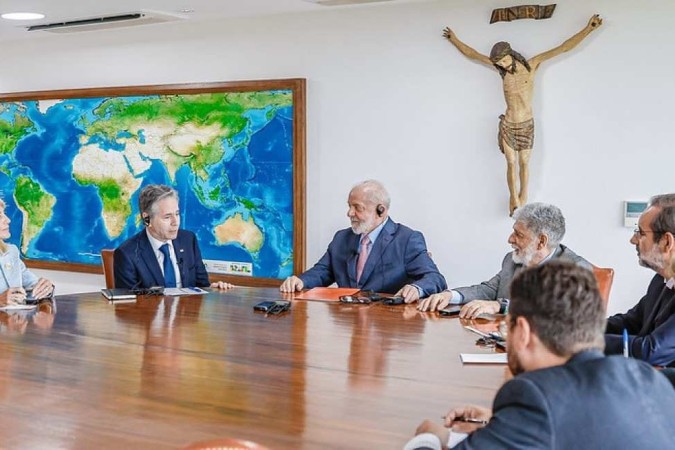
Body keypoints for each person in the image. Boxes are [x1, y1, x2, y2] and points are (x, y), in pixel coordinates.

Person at [404, 262, 675, 450]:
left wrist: (431, 436)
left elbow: (549, 411)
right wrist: (504, 424)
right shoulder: (650, 379)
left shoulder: (533, 396)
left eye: (506, 327)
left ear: (521, 331)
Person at [443, 15, 602, 215]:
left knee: (524, 163)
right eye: (498, 63)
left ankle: (523, 195)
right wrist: (454, 39)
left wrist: (589, 29)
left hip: (526, 123)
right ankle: (514, 198)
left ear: (511, 55)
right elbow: (473, 54)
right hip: (509, 123)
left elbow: (563, 47)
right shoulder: (501, 70)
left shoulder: (532, 65)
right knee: (510, 162)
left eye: (503, 60)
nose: (501, 65)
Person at [279, 180, 446, 302]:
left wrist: (417, 289)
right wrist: (300, 280)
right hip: (347, 323)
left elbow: (435, 278)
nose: (349, 213)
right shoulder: (341, 238)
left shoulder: (407, 239)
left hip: (388, 326)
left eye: (357, 207)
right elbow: (323, 271)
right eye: (349, 206)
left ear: (381, 210)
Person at [417, 203, 591, 317]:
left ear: (542, 241)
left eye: (519, 234)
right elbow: (488, 290)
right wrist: (450, 295)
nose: (510, 239)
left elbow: (553, 311)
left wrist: (499, 306)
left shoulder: (576, 269)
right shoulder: (513, 260)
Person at [114, 185, 234, 290]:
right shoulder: (127, 254)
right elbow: (128, 306)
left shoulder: (188, 240)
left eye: (177, 214)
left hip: (187, 314)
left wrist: (213, 290)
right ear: (147, 219)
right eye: (167, 217)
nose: (175, 222)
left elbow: (202, 286)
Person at [605, 193, 675, 366]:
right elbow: (631, 322)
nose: (633, 240)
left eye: (641, 233)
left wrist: (584, 342)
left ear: (667, 242)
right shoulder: (660, 280)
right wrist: (576, 329)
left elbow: (651, 351)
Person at [0, 198, 54, 305]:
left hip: (15, 320)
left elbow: (32, 285)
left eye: (4, 213)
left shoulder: (11, 252)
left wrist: (46, 288)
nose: (8, 220)